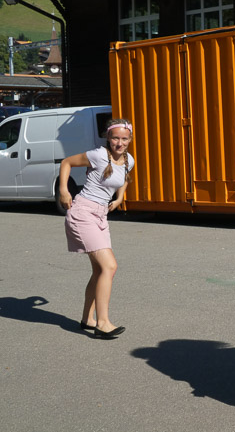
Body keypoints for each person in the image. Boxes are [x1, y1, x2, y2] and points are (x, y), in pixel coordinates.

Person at [59, 118, 134, 340]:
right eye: (115, 138)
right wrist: (64, 190)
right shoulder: (98, 155)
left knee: (100, 271)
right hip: (83, 213)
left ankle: (87, 319)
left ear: (130, 139)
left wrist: (119, 198)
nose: (119, 143)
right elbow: (66, 162)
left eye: (124, 139)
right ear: (107, 137)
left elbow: (124, 178)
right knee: (109, 266)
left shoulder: (129, 160)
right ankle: (103, 323)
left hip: (101, 216)